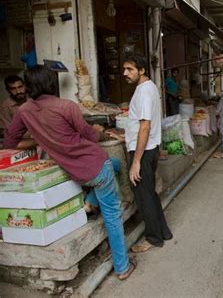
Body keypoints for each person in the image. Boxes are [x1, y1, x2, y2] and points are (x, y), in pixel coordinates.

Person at [4, 65, 136, 280]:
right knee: (112, 214)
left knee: (116, 165)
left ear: (28, 87)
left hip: (72, 170)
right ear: (51, 83)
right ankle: (123, 267)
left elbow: (10, 142)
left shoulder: (24, 111)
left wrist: (43, 138)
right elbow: (91, 137)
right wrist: (101, 132)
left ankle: (89, 202)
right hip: (94, 166)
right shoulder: (67, 106)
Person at [122, 54, 172, 252]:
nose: (125, 73)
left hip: (143, 152)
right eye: (124, 69)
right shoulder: (149, 88)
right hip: (149, 149)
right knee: (150, 194)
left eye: (130, 69)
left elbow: (145, 126)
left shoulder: (143, 92)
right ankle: (163, 232)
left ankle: (153, 238)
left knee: (144, 198)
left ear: (142, 70)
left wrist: (135, 161)